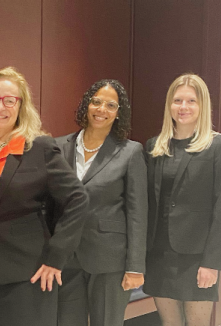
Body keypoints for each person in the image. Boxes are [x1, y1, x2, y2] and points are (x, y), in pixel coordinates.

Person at [0, 67, 88, 326]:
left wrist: (56, 258)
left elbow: (77, 200)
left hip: (29, 274)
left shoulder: (39, 149)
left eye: (9, 100)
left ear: (21, 106)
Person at [144, 73, 221, 326]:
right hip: (159, 254)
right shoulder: (155, 146)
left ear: (202, 105)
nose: (183, 107)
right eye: (177, 101)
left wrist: (212, 263)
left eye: (191, 101)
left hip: (196, 258)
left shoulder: (219, 147)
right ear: (169, 105)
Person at [55, 79, 147, 326]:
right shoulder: (58, 147)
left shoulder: (131, 152)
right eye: (96, 102)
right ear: (87, 104)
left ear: (118, 113)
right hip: (66, 258)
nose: (101, 109)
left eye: (111, 105)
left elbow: (138, 213)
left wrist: (135, 267)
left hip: (110, 261)